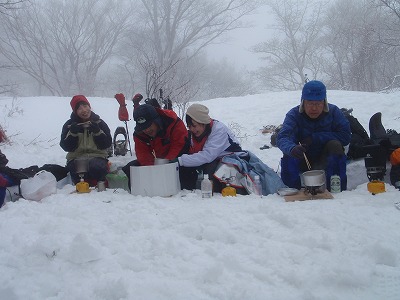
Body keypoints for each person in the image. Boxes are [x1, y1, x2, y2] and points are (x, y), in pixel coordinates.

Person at [276, 80, 351, 192]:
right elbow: (283, 137)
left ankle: (337, 189)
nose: (314, 108)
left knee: (335, 145)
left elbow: (345, 136)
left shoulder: (334, 112)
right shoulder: (294, 115)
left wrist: (316, 138)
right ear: (303, 102)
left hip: (326, 159)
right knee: (289, 152)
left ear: (324, 102)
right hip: (302, 159)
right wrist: (292, 149)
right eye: (310, 103)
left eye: (318, 103)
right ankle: (291, 190)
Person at [176, 103, 244, 191]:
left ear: (203, 122)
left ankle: (215, 193)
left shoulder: (218, 130)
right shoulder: (196, 133)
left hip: (229, 160)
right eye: (189, 127)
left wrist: (180, 160)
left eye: (194, 126)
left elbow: (207, 155)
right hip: (212, 159)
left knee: (210, 167)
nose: (192, 129)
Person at [121, 104, 189, 187]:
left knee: (183, 170)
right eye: (143, 127)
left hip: (178, 158)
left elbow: (179, 145)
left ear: (157, 120)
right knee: (132, 167)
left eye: (148, 126)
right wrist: (151, 171)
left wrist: (165, 164)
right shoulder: (139, 133)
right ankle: (141, 195)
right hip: (160, 161)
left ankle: (183, 194)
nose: (146, 130)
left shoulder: (173, 122)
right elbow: (143, 154)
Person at [60, 95, 112, 186]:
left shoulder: (100, 123)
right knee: (78, 168)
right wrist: (72, 133)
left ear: (89, 106)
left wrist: (97, 132)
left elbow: (107, 144)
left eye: (85, 106)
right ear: (75, 111)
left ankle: (99, 184)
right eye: (79, 108)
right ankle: (81, 184)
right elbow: (65, 146)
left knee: (96, 166)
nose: (84, 110)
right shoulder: (69, 125)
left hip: (97, 157)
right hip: (76, 157)